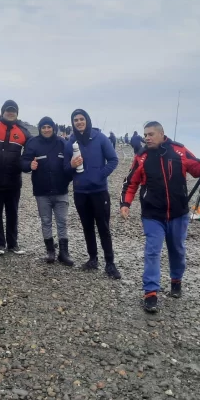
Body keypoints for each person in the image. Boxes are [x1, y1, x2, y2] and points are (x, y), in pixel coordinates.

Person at [120, 121, 200, 312]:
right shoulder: (141, 157)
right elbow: (131, 182)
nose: (146, 138)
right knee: (152, 252)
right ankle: (150, 293)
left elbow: (197, 169)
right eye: (145, 134)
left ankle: (176, 280)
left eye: (150, 134)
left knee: (177, 250)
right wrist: (125, 204)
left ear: (162, 134)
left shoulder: (179, 151)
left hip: (178, 213)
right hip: (152, 214)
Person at [64, 109, 121, 279]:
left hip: (99, 191)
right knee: (87, 226)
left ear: (87, 120)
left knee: (103, 227)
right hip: (80, 192)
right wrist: (72, 165)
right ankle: (93, 258)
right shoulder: (70, 142)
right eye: (76, 120)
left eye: (82, 119)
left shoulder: (100, 138)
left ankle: (110, 263)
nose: (79, 122)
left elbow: (113, 160)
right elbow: (65, 169)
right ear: (73, 123)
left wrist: (100, 174)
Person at [21, 117, 74, 265]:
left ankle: (64, 253)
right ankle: (50, 251)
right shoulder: (32, 143)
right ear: (40, 129)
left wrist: (68, 178)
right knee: (46, 221)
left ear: (53, 128)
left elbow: (71, 164)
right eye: (43, 127)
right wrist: (28, 165)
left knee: (62, 222)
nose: (46, 130)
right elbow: (23, 162)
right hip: (42, 191)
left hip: (61, 190)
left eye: (49, 127)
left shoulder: (63, 143)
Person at [0, 100, 32, 254]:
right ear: (3, 111)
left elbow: (32, 150)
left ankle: (13, 244)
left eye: (13, 110)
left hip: (13, 181)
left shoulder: (24, 131)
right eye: (8, 110)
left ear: (17, 113)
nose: (10, 113)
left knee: (12, 214)